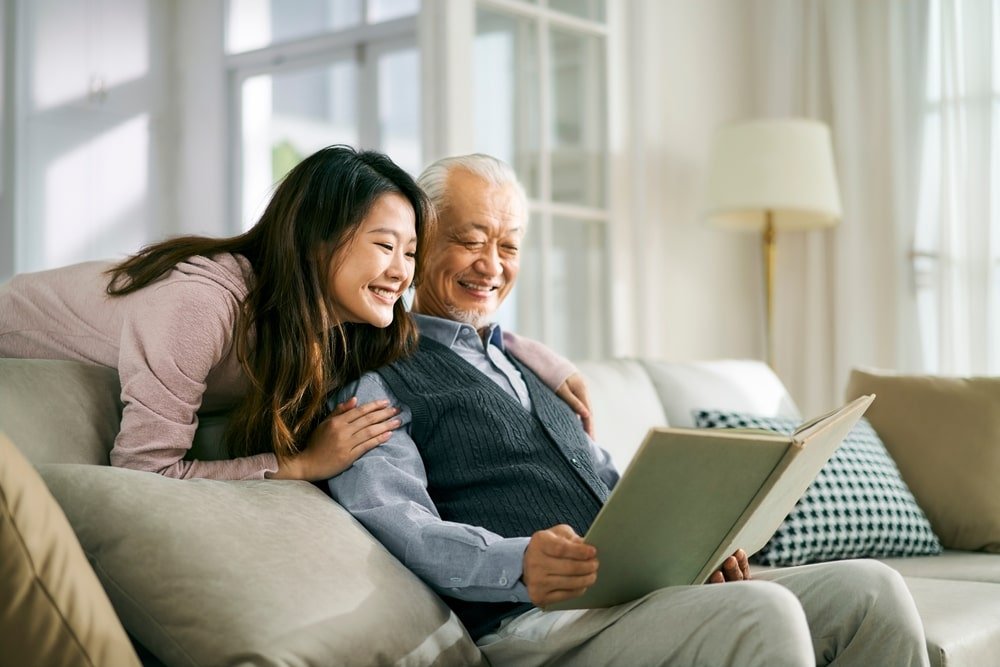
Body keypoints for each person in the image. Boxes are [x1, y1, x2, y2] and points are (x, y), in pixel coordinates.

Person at [326, 153, 930, 667]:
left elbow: (609, 486)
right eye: (470, 240)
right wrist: (516, 561)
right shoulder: (379, 375)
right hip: (533, 622)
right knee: (762, 610)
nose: (492, 265)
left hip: (630, 596)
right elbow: (398, 520)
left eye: (508, 246)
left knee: (872, 590)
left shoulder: (528, 364)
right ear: (419, 242)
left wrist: (701, 545)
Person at [0, 145, 579, 482]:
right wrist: (298, 465)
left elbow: (446, 325)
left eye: (410, 251)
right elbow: (144, 475)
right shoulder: (202, 306)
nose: (402, 272)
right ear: (314, 241)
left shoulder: (343, 329)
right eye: (384, 246)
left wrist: (543, 365)